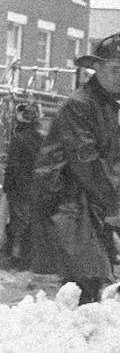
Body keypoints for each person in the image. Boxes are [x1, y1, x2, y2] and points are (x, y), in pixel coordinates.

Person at [28, 32, 120, 304]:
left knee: (93, 275)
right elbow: (86, 161)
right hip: (65, 199)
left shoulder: (105, 106)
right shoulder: (80, 105)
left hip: (87, 199)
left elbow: (113, 157)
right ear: (96, 67)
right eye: (114, 70)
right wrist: (113, 204)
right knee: (86, 276)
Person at [3, 102, 44, 269]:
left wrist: (7, 188)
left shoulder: (18, 139)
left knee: (17, 223)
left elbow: (12, 167)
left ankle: (15, 258)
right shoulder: (43, 139)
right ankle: (28, 259)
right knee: (31, 224)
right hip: (37, 189)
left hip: (18, 189)